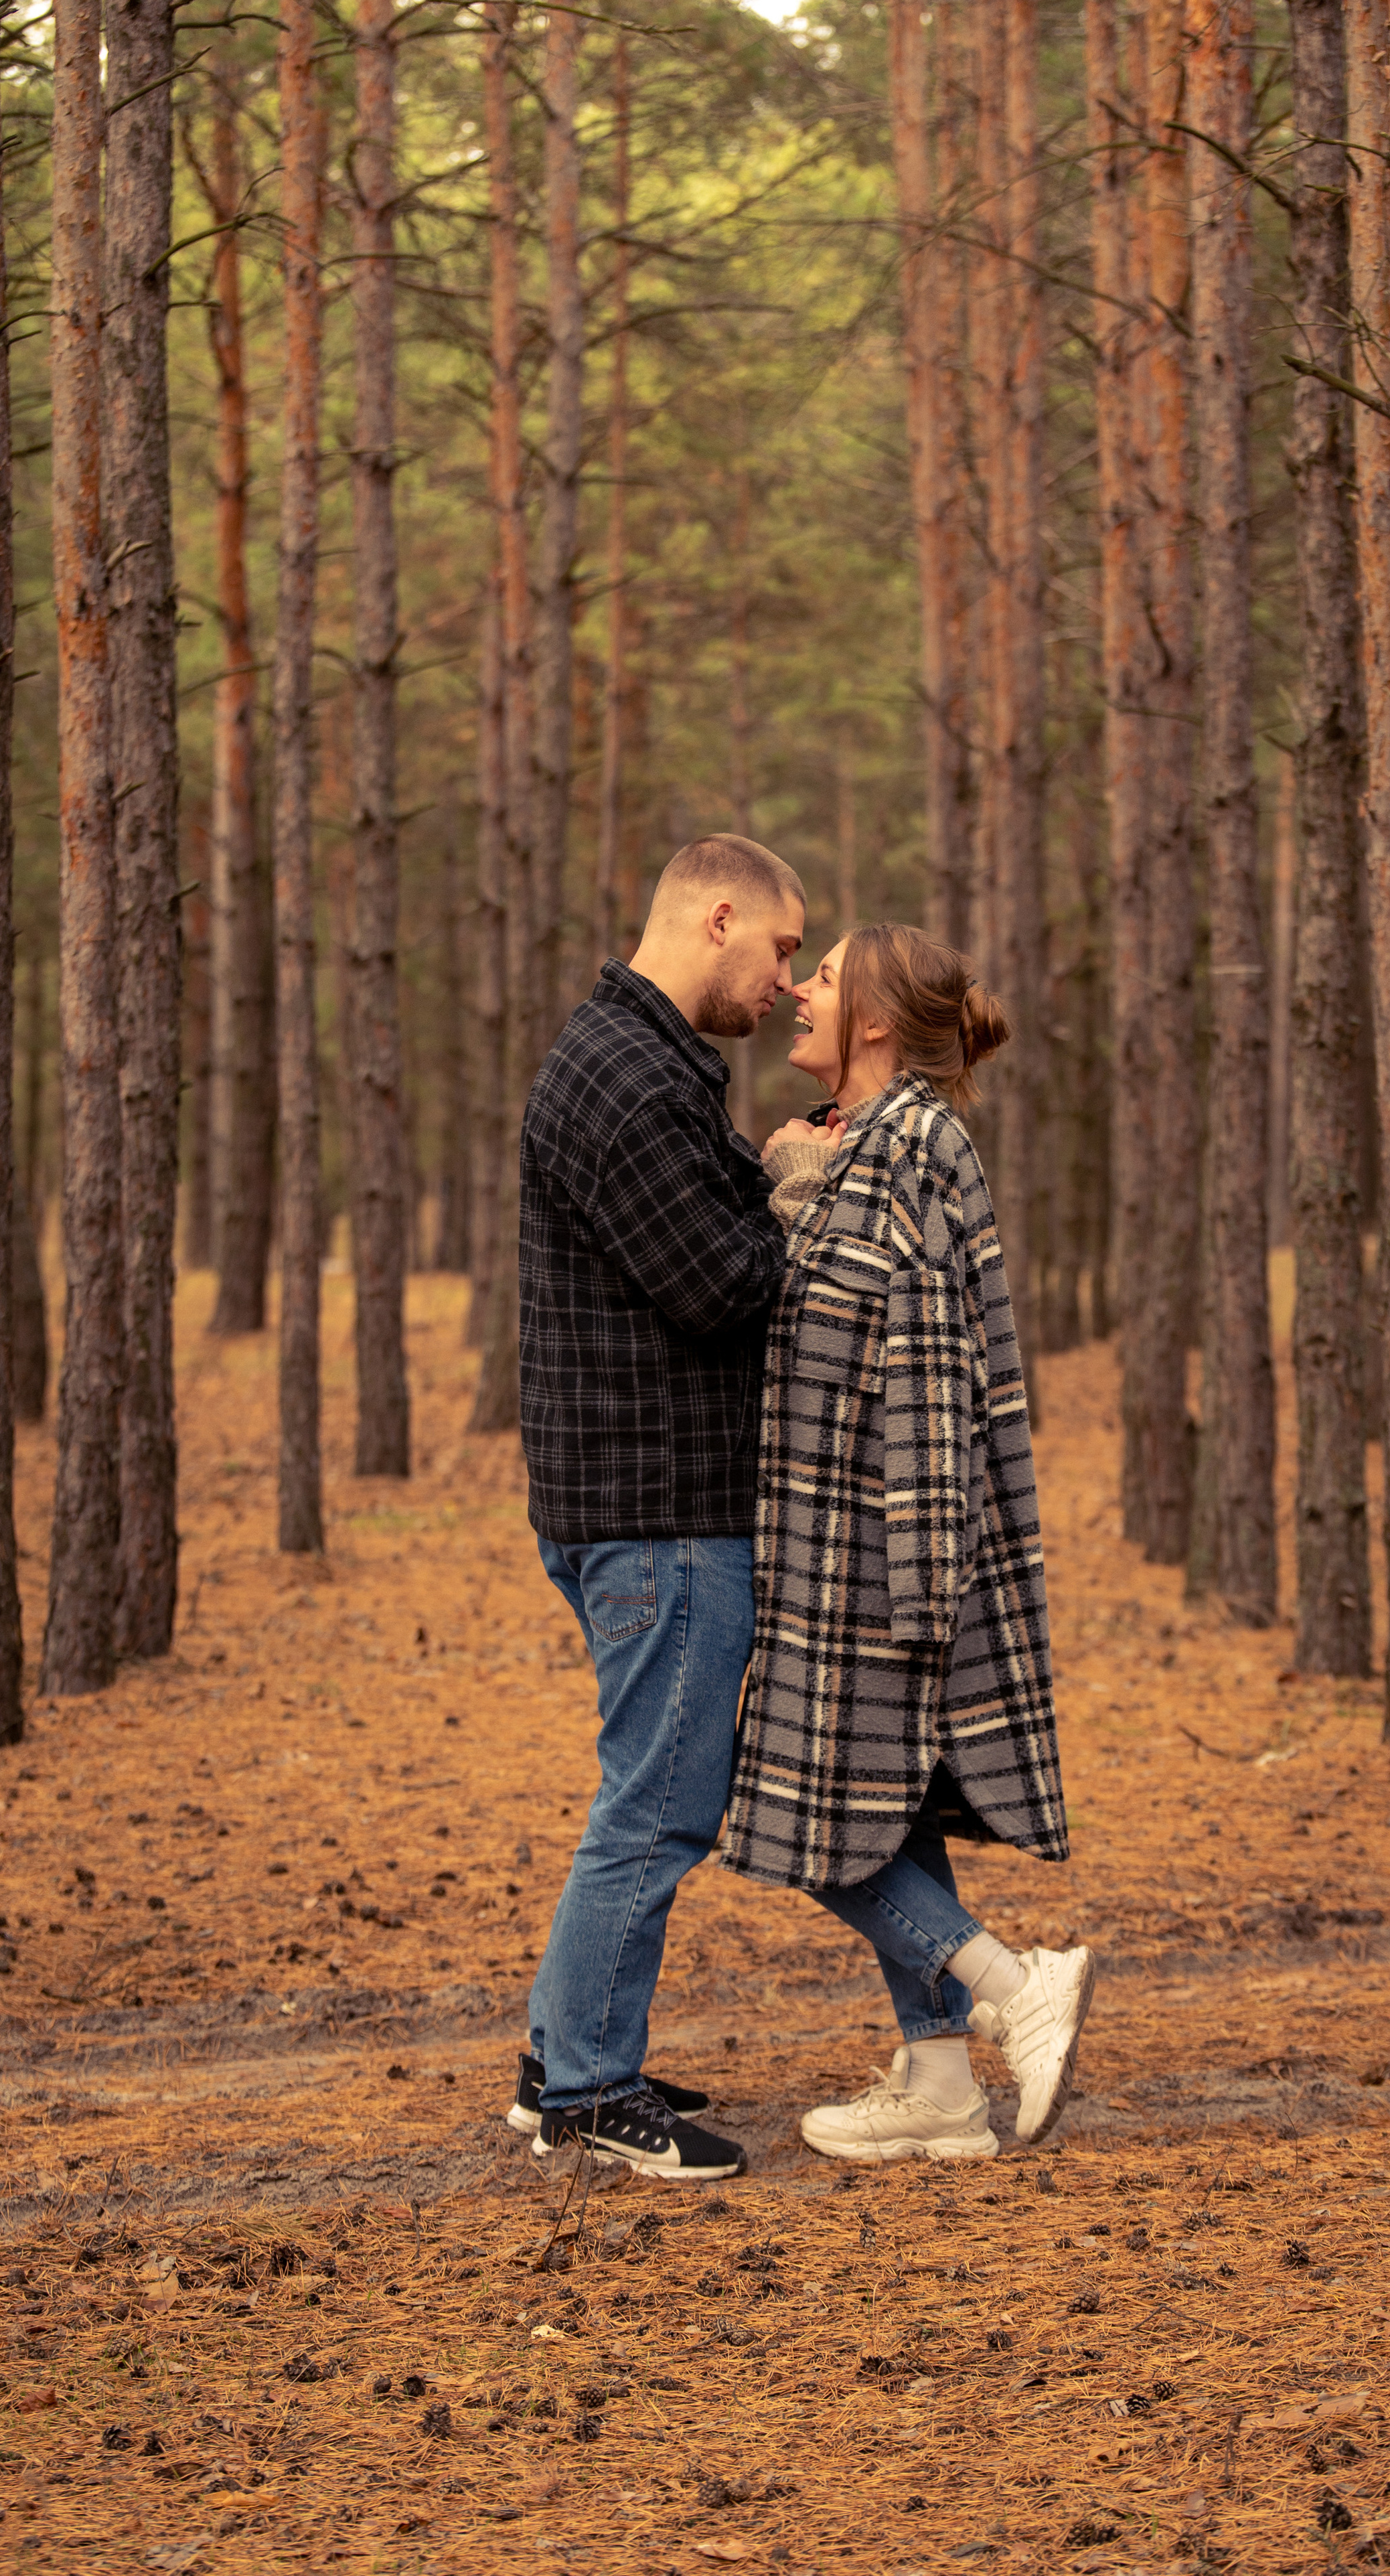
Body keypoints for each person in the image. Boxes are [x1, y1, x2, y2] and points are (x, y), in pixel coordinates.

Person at [723, 922, 1094, 2164]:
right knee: (882, 1816)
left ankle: (1010, 1982)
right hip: (835, 1555)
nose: (797, 993)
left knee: (795, 1819)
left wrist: (922, 1594)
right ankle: (942, 2085)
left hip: (880, 1567)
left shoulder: (919, 1146)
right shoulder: (861, 1150)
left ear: (875, 1019)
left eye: (821, 978)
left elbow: (935, 1377)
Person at [508, 834, 806, 2180]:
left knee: (645, 1790)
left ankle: (561, 2052)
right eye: (783, 949)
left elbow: (701, 1235)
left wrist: (759, 1169)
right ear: (719, 916)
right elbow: (722, 1286)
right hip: (656, 1509)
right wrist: (794, 1195)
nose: (789, 983)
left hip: (643, 1502)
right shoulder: (629, 1080)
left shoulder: (639, 1060)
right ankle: (583, 2088)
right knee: (658, 1804)